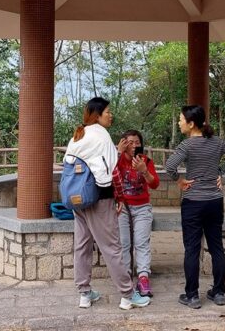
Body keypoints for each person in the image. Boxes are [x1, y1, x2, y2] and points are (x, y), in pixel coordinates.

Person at [63, 97, 151, 310]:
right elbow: (112, 173)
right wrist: (119, 197)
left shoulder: (78, 135)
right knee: (112, 247)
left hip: (78, 198)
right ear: (97, 115)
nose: (111, 115)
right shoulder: (101, 135)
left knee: (82, 246)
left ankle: (84, 294)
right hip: (99, 198)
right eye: (108, 112)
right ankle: (128, 295)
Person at [165, 104, 225, 309]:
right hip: (214, 201)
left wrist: (179, 181)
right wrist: (220, 172)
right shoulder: (217, 142)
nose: (179, 123)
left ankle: (192, 296)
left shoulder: (187, 145)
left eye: (181, 119)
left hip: (193, 202)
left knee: (192, 249)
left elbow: (170, 166)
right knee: (216, 247)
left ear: (191, 124)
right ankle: (219, 292)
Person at [112, 129, 160, 297]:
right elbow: (107, 175)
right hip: (122, 207)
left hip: (142, 207)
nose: (133, 146)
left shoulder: (146, 161)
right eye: (129, 142)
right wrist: (117, 154)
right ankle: (126, 278)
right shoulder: (116, 160)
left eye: (137, 142)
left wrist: (144, 171)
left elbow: (155, 184)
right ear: (122, 144)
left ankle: (143, 277)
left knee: (141, 243)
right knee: (124, 243)